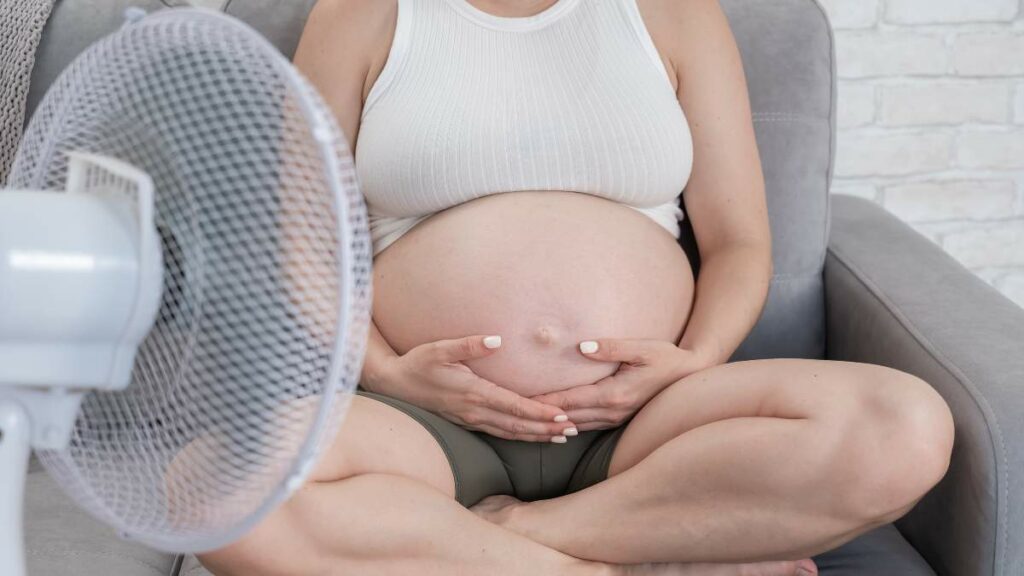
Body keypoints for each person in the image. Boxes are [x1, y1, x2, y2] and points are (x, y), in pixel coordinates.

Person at [198, 1, 956, 574]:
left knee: (905, 427)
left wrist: (695, 360)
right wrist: (389, 372)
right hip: (423, 425)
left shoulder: (674, 12)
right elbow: (303, 242)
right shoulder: (360, 12)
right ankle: (637, 558)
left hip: (649, 427)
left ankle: (514, 543)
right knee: (212, 488)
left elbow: (739, 243)